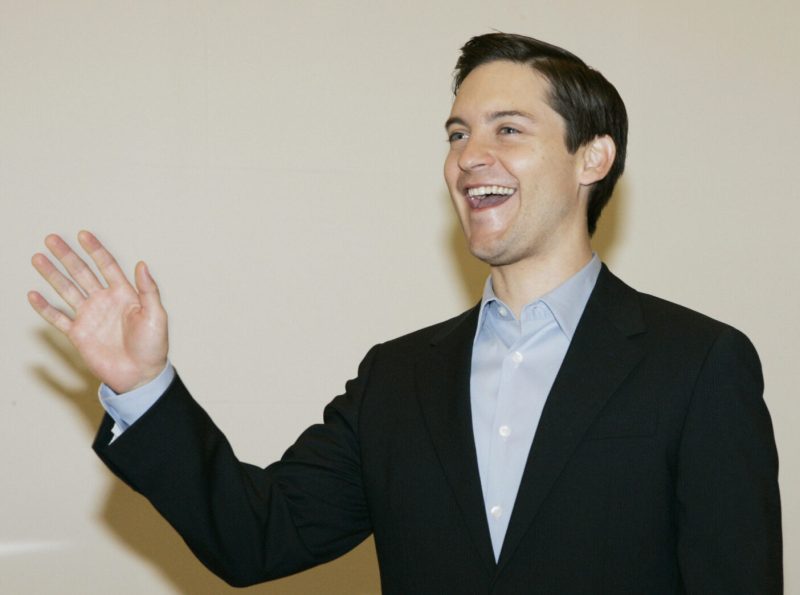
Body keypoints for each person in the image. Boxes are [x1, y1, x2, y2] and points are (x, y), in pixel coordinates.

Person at [28, 33, 782, 593]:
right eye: (458, 134)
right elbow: (255, 537)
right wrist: (146, 387)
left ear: (593, 158)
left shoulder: (698, 361)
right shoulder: (398, 376)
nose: (469, 155)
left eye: (507, 129)